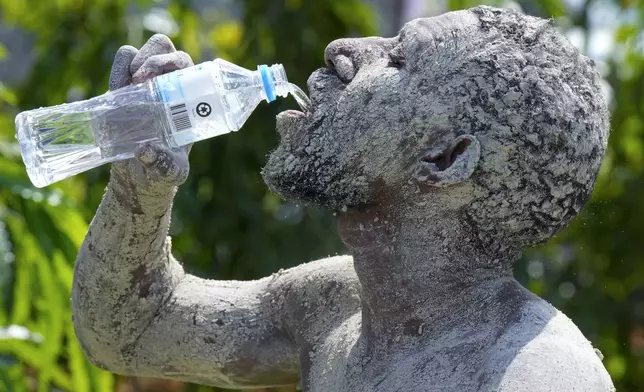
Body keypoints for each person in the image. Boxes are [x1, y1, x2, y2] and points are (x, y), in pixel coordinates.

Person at [71, 5, 615, 391]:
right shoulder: (334, 305)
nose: (342, 49)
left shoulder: (532, 377)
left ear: (446, 160)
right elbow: (127, 331)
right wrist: (139, 184)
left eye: (399, 60)